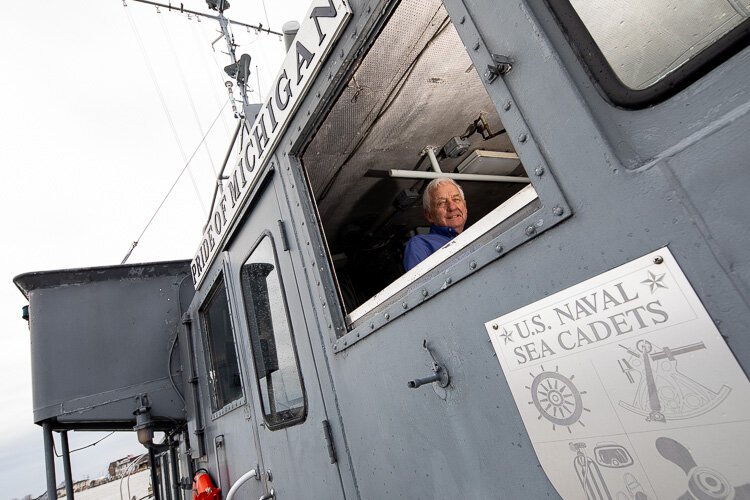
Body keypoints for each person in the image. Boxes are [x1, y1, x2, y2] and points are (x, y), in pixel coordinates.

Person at [403, 178, 468, 271]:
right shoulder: (420, 245)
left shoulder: (480, 233)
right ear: (429, 215)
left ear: (465, 207)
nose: (452, 207)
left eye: (456, 199)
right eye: (441, 203)